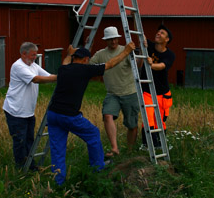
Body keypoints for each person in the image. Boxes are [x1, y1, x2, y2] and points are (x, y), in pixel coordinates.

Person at [47, 41, 135, 186]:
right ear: (86, 60)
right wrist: (126, 51)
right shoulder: (85, 70)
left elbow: (65, 62)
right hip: (70, 115)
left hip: (53, 115)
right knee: (93, 134)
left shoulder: (64, 70)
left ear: (74, 58)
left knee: (58, 150)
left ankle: (58, 183)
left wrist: (69, 53)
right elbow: (110, 64)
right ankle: (98, 168)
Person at [3, 42, 57, 169]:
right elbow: (36, 79)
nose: (35, 57)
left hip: (28, 111)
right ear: (24, 54)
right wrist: (59, 77)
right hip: (15, 111)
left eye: (36, 55)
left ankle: (30, 165)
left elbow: (48, 76)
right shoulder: (18, 66)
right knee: (19, 140)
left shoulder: (33, 65)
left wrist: (61, 76)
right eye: (33, 55)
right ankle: (21, 167)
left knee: (29, 140)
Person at [90, 26, 139, 157]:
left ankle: (130, 152)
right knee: (107, 115)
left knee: (132, 125)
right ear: (106, 40)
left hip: (130, 92)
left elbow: (137, 66)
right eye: (110, 40)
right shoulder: (100, 54)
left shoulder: (126, 50)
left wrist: (140, 55)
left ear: (118, 38)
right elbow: (89, 66)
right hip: (112, 94)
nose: (113, 42)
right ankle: (114, 148)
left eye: (115, 39)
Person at [142, 26, 175, 147]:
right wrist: (134, 17)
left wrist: (151, 64)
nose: (158, 33)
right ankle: (147, 145)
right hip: (147, 90)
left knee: (160, 121)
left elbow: (162, 66)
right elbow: (141, 33)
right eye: (158, 32)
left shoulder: (170, 55)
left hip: (162, 92)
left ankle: (160, 144)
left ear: (167, 39)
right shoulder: (149, 46)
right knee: (148, 118)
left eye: (162, 33)